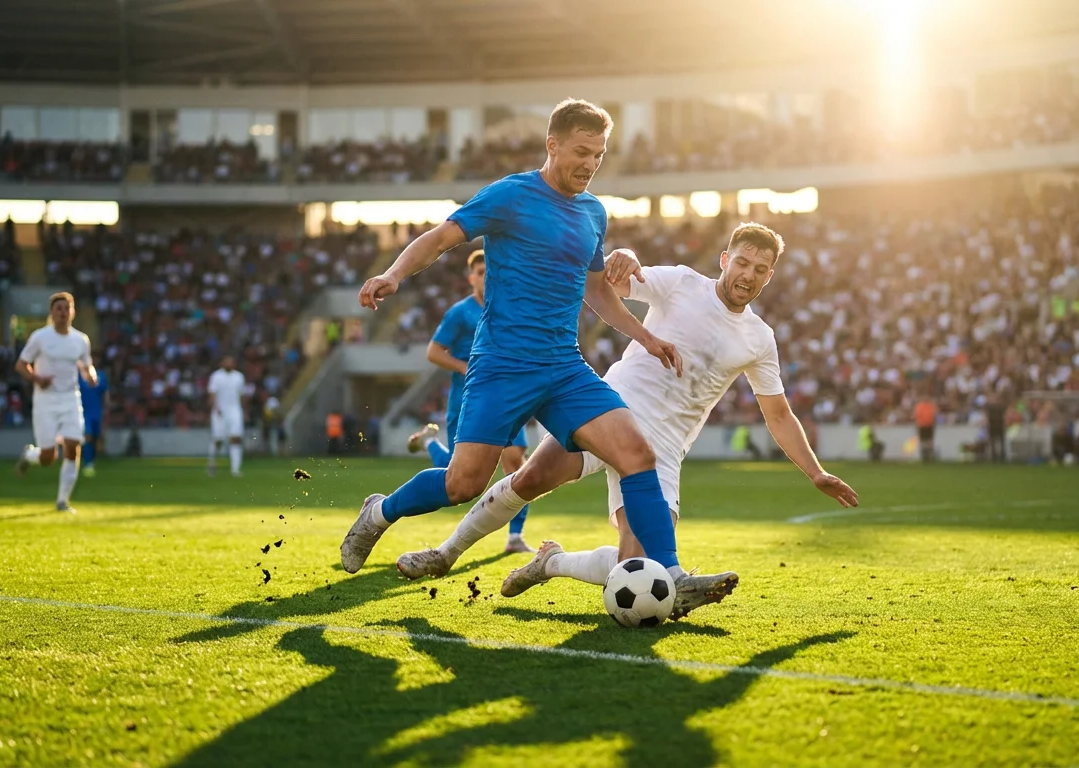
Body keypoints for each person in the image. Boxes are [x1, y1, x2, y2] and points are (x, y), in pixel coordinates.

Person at [340, 98, 738, 618]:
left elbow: (597, 290)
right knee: (462, 484)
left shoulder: (594, 212)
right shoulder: (511, 195)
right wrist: (393, 274)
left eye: (598, 155)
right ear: (552, 145)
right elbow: (442, 238)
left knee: (636, 455)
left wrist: (644, 335)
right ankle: (380, 512)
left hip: (563, 366)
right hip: (502, 364)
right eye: (581, 152)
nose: (590, 164)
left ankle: (672, 575)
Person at [394, 224, 859, 611]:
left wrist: (815, 472)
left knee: (637, 568)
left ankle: (549, 563)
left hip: (665, 449)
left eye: (759, 269)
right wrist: (625, 254)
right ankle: (445, 552)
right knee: (530, 480)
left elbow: (777, 413)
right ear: (724, 259)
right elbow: (615, 282)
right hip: (612, 409)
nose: (747, 275)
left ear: (769, 276)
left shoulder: (759, 338)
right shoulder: (681, 282)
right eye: (741, 262)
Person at [406, 249, 535, 554]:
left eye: (490, 271)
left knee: (516, 462)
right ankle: (429, 443)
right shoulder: (460, 312)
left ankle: (515, 537)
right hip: (469, 399)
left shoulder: (509, 307)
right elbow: (434, 351)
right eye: (480, 272)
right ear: (471, 278)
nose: (486, 277)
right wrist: (467, 367)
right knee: (458, 475)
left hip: (506, 398)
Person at [13, 292, 95, 513]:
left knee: (73, 446)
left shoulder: (80, 340)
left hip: (70, 398)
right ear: (52, 312)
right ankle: (30, 455)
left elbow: (87, 365)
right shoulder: (40, 337)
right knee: (49, 457)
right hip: (45, 401)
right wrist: (36, 378)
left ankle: (62, 501)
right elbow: (21, 365)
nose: (63, 312)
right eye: (58, 308)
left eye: (66, 308)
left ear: (73, 312)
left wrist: (91, 376)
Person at [207, 356, 246, 477]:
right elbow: (212, 393)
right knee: (218, 439)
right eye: (227, 362)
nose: (229, 364)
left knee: (236, 438)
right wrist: (215, 407)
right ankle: (212, 463)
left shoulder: (239, 377)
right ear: (222, 363)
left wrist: (244, 410)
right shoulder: (216, 376)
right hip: (220, 411)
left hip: (235, 410)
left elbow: (242, 394)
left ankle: (235, 469)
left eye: (231, 362)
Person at [79, 353, 108, 477]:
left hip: (97, 411)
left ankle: (91, 460)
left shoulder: (101, 376)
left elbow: (105, 392)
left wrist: (106, 407)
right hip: (83, 411)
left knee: (96, 438)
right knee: (88, 436)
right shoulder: (79, 375)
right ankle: (87, 463)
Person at [914, 396, 938, 463]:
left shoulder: (931, 406)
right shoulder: (920, 406)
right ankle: (924, 456)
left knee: (929, 442)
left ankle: (929, 456)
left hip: (929, 426)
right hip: (923, 426)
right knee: (924, 442)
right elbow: (918, 416)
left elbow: (933, 416)